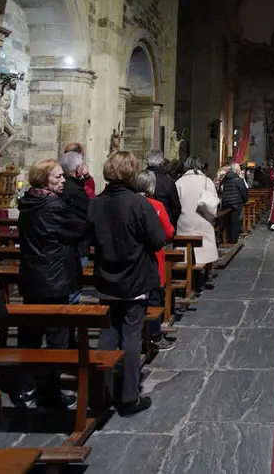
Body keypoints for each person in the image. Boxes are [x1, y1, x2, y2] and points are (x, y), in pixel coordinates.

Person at [88, 150, 167, 416]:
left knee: (108, 334)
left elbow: (89, 239)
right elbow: (157, 239)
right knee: (131, 336)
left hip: (106, 278)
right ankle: (129, 396)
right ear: (130, 172)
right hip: (134, 278)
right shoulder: (138, 203)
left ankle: (99, 394)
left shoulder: (95, 203)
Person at [14, 158, 86, 410]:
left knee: (30, 334)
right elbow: (78, 229)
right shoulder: (53, 206)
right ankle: (50, 392)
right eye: (57, 177)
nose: (63, 180)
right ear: (44, 180)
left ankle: (25, 387)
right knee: (57, 338)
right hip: (54, 279)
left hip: (33, 277)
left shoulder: (30, 202)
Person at [133, 168, 177, 352]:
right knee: (153, 299)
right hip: (153, 259)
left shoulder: (130, 203)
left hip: (133, 261)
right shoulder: (156, 205)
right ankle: (154, 335)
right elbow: (168, 232)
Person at [175, 155, 221, 266]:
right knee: (205, 247)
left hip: (185, 222)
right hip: (203, 221)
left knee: (185, 246)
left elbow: (175, 204)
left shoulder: (179, 182)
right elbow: (214, 202)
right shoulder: (207, 181)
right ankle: (207, 270)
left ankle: (187, 265)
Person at [60, 150, 92, 303]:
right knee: (73, 287)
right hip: (77, 246)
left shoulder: (63, 188)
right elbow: (88, 216)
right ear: (78, 169)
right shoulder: (77, 191)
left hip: (65, 246)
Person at [146, 149, 181, 227]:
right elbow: (176, 208)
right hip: (163, 224)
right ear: (161, 162)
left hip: (143, 223)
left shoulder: (140, 178)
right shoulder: (168, 182)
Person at [220, 162, 249, 244]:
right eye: (239, 169)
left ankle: (228, 238)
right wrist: (244, 200)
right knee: (235, 223)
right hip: (236, 203)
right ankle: (233, 241)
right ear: (236, 170)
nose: (240, 171)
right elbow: (243, 191)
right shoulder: (237, 179)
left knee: (228, 222)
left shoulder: (226, 178)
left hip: (226, 203)